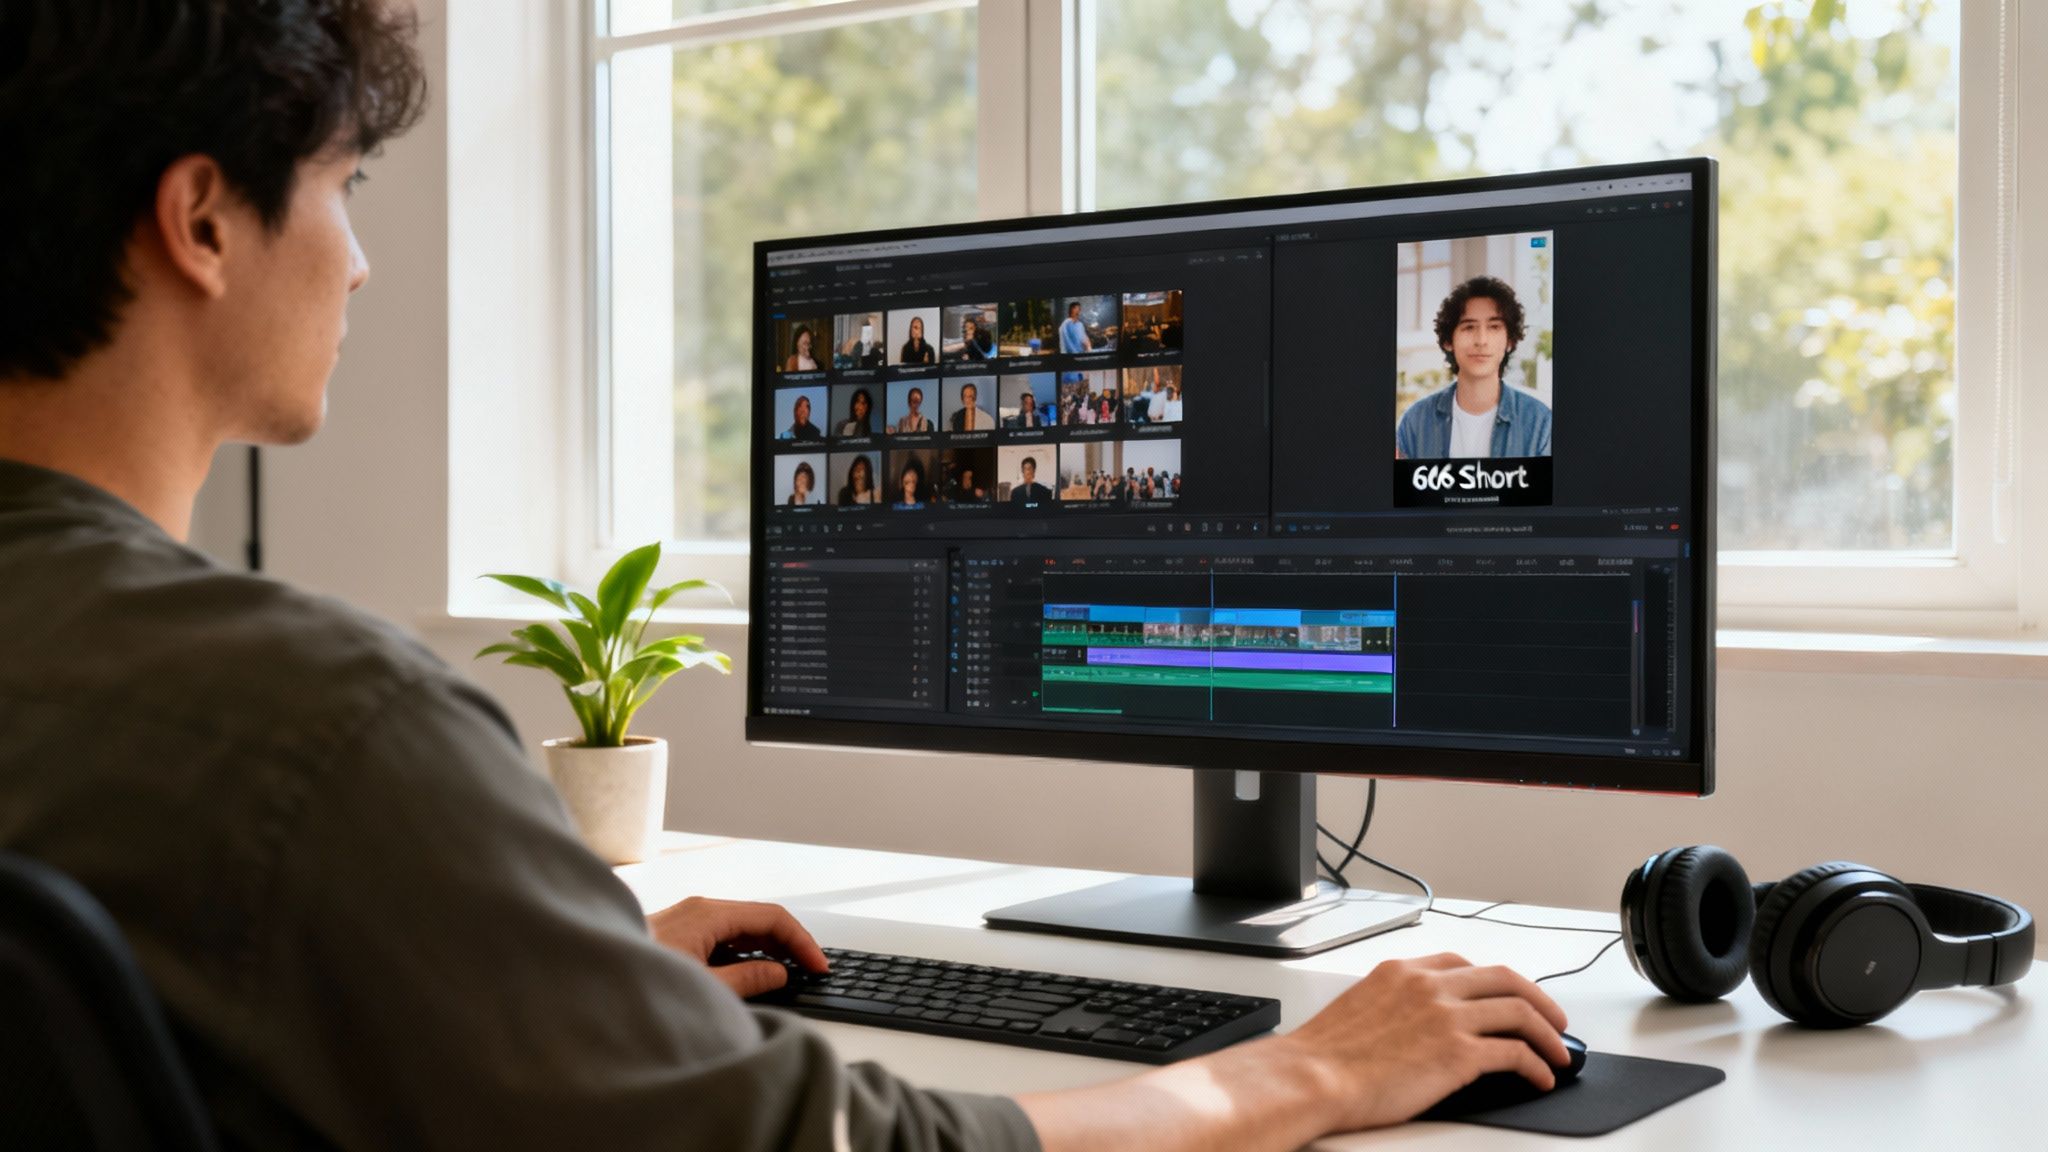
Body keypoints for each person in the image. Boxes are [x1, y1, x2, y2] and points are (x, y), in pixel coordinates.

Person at [0, 4, 1574, 1149]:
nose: (358, 260)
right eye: (346, 187)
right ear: (203, 219)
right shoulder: (324, 733)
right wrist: (1308, 1073)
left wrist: (555, 981)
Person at [1396, 276, 1552, 461]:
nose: (1481, 340)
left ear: (1510, 341)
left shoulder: (1539, 422)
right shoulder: (1415, 421)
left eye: (1494, 327)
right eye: (1469, 327)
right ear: (1448, 341)